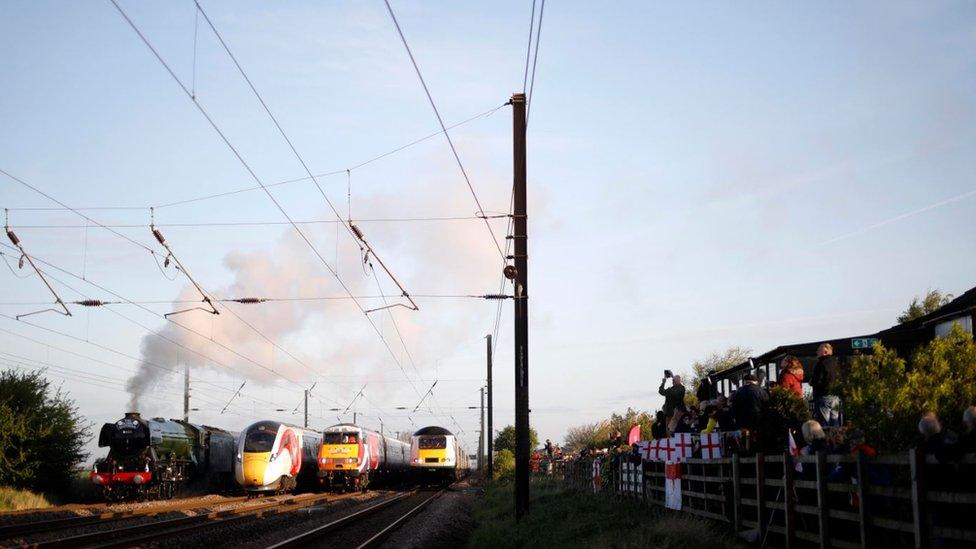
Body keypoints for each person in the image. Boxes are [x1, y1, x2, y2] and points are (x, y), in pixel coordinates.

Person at [811, 343, 841, 427]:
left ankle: (826, 439)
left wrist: (812, 382)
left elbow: (817, 380)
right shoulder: (836, 363)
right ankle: (836, 439)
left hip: (823, 395)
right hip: (835, 396)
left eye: (819, 350)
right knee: (835, 421)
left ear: (825, 351)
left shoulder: (821, 363)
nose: (817, 352)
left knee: (824, 423)